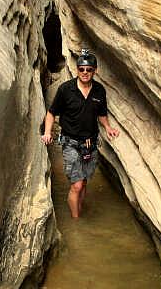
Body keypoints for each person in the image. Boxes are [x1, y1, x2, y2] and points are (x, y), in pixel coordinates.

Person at [41, 48, 119, 219]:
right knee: (76, 185)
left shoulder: (99, 90)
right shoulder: (65, 90)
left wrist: (108, 127)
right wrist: (47, 132)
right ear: (77, 70)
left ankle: (79, 209)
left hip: (90, 144)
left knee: (83, 183)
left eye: (89, 69)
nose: (85, 72)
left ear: (94, 71)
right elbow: (51, 113)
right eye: (81, 69)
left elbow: (102, 113)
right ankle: (77, 220)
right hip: (70, 143)